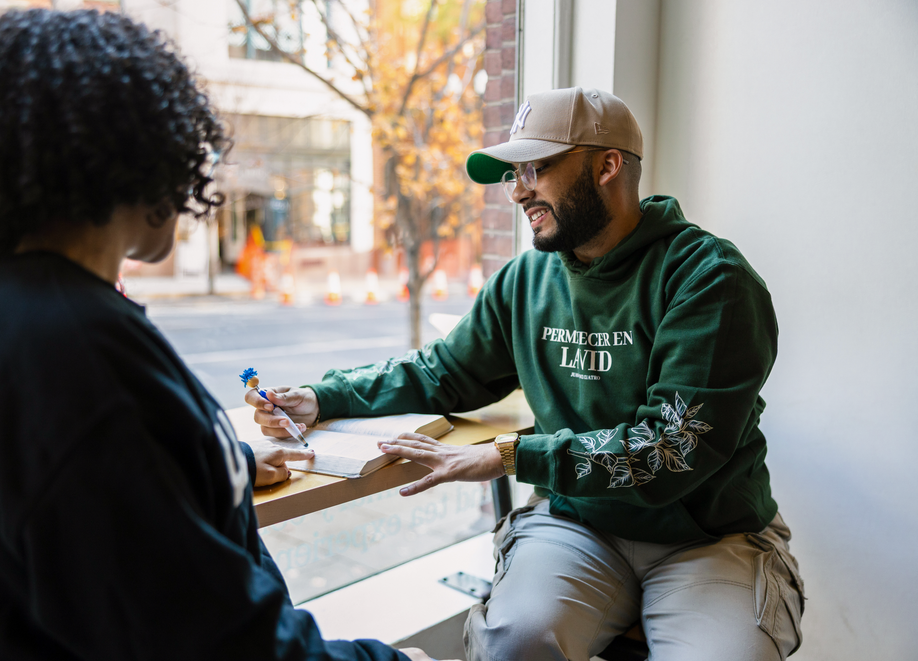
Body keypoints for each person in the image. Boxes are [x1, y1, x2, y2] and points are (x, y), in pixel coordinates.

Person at [0, 9, 443, 661]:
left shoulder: (14, 307)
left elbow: (103, 512)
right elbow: (211, 641)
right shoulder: (73, 351)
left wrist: (233, 468)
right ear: (136, 155)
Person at [247, 87, 806, 661]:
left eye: (535, 168)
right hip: (577, 521)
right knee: (514, 645)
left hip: (710, 536)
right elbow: (442, 372)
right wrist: (322, 397)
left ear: (607, 165)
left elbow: (669, 450)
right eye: (513, 174)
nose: (518, 191)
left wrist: (511, 454)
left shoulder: (708, 278)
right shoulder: (526, 282)